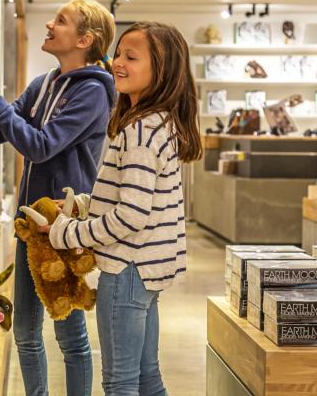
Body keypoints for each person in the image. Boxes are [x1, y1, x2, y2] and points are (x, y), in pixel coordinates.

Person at [0, 0, 116, 396]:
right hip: (30, 226)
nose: (50, 25)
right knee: (24, 330)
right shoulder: (44, 84)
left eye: (60, 20)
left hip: (64, 228)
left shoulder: (93, 93)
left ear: (84, 39)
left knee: (69, 332)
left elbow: (41, 146)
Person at [47, 22, 203, 395]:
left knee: (119, 382)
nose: (118, 62)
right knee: (147, 377)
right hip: (148, 269)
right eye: (118, 53)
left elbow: (131, 216)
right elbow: (136, 199)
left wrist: (64, 232)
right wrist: (83, 206)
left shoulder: (140, 132)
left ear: (161, 71)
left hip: (127, 268)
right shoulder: (157, 124)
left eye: (131, 57)